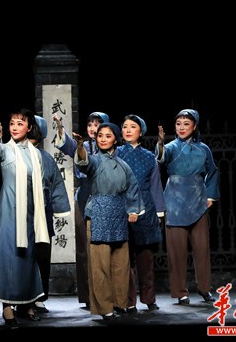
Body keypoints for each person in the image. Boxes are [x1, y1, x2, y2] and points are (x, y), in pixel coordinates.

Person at [0, 109, 47, 326]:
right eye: (12, 123)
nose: (14, 127)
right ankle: (7, 307)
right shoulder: (6, 149)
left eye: (20, 123)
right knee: (8, 256)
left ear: (29, 128)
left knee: (28, 257)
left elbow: (41, 184)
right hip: (9, 210)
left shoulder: (36, 154)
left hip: (30, 212)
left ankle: (27, 302)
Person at [0, 116, 71, 314]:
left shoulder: (44, 157)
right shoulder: (12, 150)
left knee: (40, 257)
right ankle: (16, 300)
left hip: (40, 212)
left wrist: (60, 208)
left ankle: (36, 297)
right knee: (19, 256)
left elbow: (56, 185)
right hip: (17, 209)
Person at [74, 122, 143, 320]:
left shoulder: (123, 165)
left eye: (108, 136)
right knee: (100, 264)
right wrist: (80, 147)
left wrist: (133, 210)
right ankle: (105, 307)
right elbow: (84, 163)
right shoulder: (95, 160)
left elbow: (133, 188)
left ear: (115, 139)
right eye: (100, 135)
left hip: (119, 214)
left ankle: (120, 303)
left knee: (121, 264)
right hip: (98, 214)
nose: (103, 139)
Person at [156, 109, 220, 306]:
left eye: (186, 123)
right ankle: (180, 292)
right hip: (174, 202)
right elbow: (160, 159)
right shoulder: (170, 147)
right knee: (177, 252)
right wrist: (160, 144)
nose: (182, 127)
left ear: (194, 126)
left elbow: (213, 171)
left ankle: (204, 288)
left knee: (202, 250)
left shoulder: (203, 148)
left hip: (198, 200)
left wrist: (210, 196)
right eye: (178, 124)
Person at [53, 111, 110, 308]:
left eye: (97, 124)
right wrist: (60, 128)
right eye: (90, 125)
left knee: (104, 246)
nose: (93, 128)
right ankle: (87, 295)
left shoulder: (111, 150)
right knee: (84, 249)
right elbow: (67, 146)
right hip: (84, 196)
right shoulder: (82, 145)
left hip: (104, 196)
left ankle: (107, 294)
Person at [115, 114, 165, 314]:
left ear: (141, 131)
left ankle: (149, 298)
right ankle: (128, 301)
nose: (128, 130)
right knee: (123, 259)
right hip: (121, 207)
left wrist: (159, 212)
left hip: (146, 208)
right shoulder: (116, 153)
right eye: (125, 126)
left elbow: (155, 185)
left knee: (146, 258)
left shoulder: (149, 156)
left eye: (132, 126)